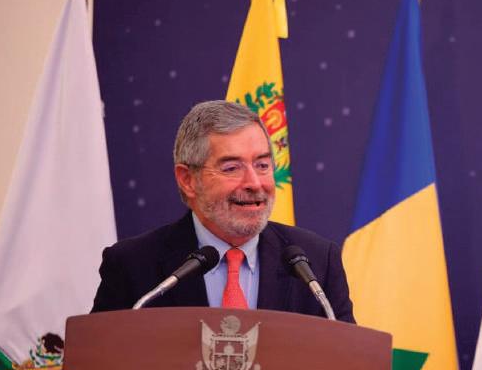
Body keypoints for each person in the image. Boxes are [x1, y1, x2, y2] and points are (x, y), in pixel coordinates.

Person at [91, 100, 354, 322]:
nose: (254, 183)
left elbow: (345, 361)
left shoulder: (317, 263)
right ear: (188, 180)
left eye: (262, 165)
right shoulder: (132, 266)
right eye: (231, 168)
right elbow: (99, 362)